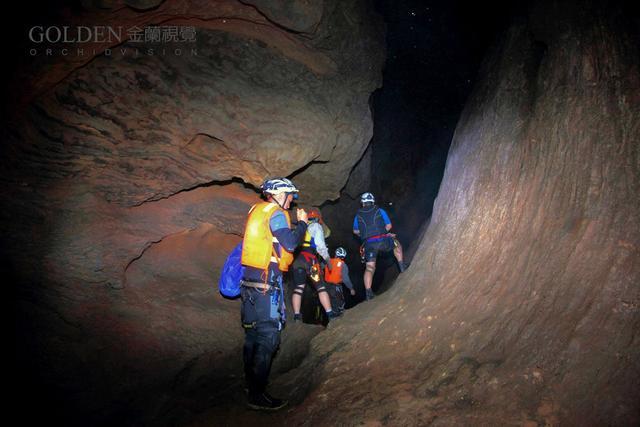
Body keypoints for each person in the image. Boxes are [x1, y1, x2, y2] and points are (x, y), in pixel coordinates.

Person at [240, 177, 308, 410]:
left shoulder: (257, 210)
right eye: (291, 195)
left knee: (252, 336)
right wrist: (302, 225)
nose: (292, 200)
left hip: (249, 284)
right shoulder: (277, 213)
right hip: (265, 286)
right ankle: (257, 395)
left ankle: (250, 386)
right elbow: (289, 243)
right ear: (281, 194)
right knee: (268, 337)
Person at [353, 192, 408, 300]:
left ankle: (368, 293)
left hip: (369, 244)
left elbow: (355, 231)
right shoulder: (380, 210)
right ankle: (402, 267)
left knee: (369, 267)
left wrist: (365, 235)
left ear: (362, 203)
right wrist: (384, 233)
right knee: (396, 244)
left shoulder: (357, 216)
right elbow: (389, 225)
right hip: (383, 240)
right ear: (372, 201)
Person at [291, 207, 341, 322]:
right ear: (318, 218)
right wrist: (328, 260)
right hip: (310, 261)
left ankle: (297, 316)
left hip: (297, 261)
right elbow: (320, 246)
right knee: (321, 287)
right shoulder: (316, 226)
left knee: (299, 288)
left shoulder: (300, 227)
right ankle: (330, 314)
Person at [324, 246, 356, 313]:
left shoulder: (328, 262)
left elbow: (320, 269)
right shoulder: (343, 265)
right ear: (344, 257)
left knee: (330, 305)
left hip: (325, 287)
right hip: (335, 288)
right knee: (339, 305)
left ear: (335, 254)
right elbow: (346, 279)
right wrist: (351, 288)